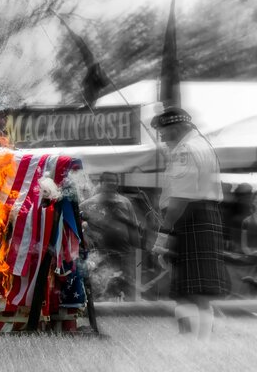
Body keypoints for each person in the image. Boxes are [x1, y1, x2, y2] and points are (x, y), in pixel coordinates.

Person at [151, 107, 230, 340]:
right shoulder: (203, 145)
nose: (161, 138)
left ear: (175, 127)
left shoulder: (185, 150)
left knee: (188, 289)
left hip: (189, 217)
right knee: (194, 288)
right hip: (203, 216)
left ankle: (192, 341)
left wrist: (163, 233)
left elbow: (180, 199)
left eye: (162, 132)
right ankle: (199, 341)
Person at [80, 171, 140, 301]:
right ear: (101, 183)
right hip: (101, 256)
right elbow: (78, 227)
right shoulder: (88, 204)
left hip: (124, 255)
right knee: (100, 291)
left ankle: (130, 318)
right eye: (108, 180)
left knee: (128, 291)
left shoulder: (126, 203)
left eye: (114, 180)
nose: (111, 183)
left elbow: (133, 229)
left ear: (117, 184)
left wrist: (135, 249)